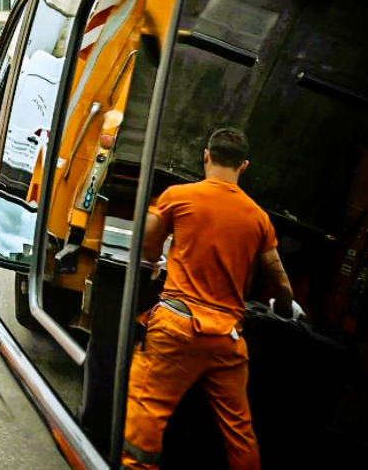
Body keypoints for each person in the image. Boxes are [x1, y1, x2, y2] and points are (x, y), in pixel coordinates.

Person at [123, 128, 300, 470]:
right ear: (243, 166)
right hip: (227, 339)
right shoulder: (259, 218)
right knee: (239, 429)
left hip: (177, 327)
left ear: (206, 155)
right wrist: (282, 307)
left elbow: (146, 243)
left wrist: (157, 260)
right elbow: (281, 284)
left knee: (147, 408)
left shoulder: (179, 196)